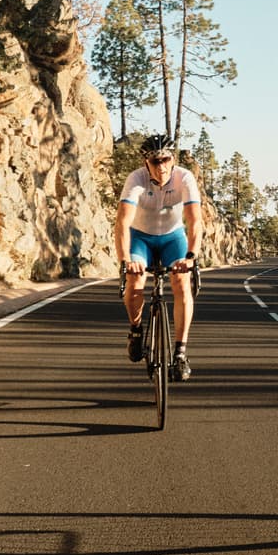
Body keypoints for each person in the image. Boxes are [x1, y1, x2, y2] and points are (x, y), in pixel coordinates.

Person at [115, 133, 203, 381]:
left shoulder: (184, 177)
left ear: (172, 159)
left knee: (181, 284)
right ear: (146, 163)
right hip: (140, 237)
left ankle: (180, 353)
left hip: (172, 238)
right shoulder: (136, 179)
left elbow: (195, 222)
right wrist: (125, 261)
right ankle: (135, 330)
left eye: (165, 159)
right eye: (155, 162)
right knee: (136, 281)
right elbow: (122, 224)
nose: (161, 166)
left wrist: (191, 256)